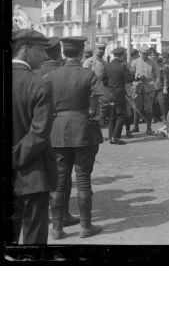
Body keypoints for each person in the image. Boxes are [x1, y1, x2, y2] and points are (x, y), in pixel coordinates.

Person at [47, 36, 114, 239]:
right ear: (80, 51)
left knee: (59, 181)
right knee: (83, 179)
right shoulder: (88, 75)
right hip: (84, 131)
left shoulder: (51, 76)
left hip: (57, 132)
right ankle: (86, 227)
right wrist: (99, 117)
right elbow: (107, 98)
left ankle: (57, 230)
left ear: (63, 52)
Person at [11, 29, 58, 244]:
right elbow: (38, 134)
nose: (45, 56)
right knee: (34, 243)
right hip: (32, 177)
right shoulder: (38, 83)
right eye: (40, 50)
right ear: (24, 50)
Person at [34, 36, 80, 226]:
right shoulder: (61, 72)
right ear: (58, 53)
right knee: (62, 176)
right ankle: (63, 215)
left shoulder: (35, 72)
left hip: (37, 131)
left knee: (40, 173)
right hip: (59, 131)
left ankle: (42, 214)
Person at [105, 47, 134, 144]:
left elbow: (102, 79)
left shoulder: (108, 65)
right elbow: (129, 79)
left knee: (112, 115)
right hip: (119, 94)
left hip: (110, 93)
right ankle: (115, 137)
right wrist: (133, 74)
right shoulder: (121, 66)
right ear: (121, 55)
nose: (125, 56)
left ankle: (110, 136)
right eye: (124, 54)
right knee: (121, 115)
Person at [130, 44, 160, 135]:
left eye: (147, 54)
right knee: (137, 108)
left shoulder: (152, 62)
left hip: (149, 88)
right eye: (143, 53)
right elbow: (130, 74)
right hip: (137, 87)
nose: (145, 55)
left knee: (148, 109)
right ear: (140, 53)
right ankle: (135, 127)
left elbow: (158, 74)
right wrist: (137, 76)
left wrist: (156, 83)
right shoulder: (134, 62)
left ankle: (149, 128)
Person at [83, 42, 109, 123]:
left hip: (101, 93)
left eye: (103, 49)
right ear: (95, 49)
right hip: (90, 93)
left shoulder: (105, 63)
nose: (101, 51)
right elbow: (84, 78)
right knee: (90, 113)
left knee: (99, 116)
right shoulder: (89, 62)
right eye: (99, 49)